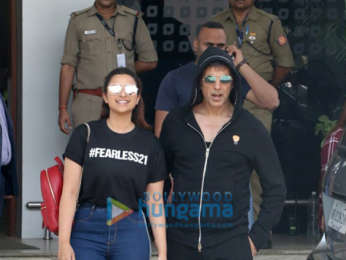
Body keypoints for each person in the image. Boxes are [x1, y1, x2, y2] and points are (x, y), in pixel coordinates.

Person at [160, 47, 286, 259]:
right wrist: (161, 229)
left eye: (225, 79)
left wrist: (256, 239)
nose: (217, 87)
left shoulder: (250, 127)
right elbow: (158, 176)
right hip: (180, 243)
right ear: (199, 82)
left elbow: (276, 188)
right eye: (210, 79)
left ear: (234, 84)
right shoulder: (177, 122)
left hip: (231, 244)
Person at [58, 67, 167, 260]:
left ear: (138, 97)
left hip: (130, 228)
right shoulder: (85, 134)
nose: (123, 93)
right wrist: (63, 243)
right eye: (116, 88)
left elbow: (155, 201)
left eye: (129, 89)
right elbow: (70, 192)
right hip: (87, 228)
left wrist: (163, 252)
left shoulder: (150, 144)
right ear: (105, 97)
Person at [212, 1, 294, 226]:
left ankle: (257, 226)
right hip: (222, 101)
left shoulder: (269, 22)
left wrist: (266, 87)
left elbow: (285, 63)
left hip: (258, 104)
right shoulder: (217, 21)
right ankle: (224, 222)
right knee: (222, 158)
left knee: (258, 165)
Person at [154, 21, 279, 137]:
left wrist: (241, 65)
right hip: (188, 151)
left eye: (220, 46)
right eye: (209, 45)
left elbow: (271, 102)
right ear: (196, 45)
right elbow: (161, 132)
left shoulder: (232, 77)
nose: (214, 49)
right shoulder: (175, 78)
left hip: (228, 148)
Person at [58, 0, 158, 133]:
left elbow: (150, 61)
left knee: (122, 149)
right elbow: (68, 66)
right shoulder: (78, 21)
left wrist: (124, 73)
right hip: (89, 102)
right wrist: (63, 108)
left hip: (123, 100)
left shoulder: (132, 19)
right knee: (88, 148)